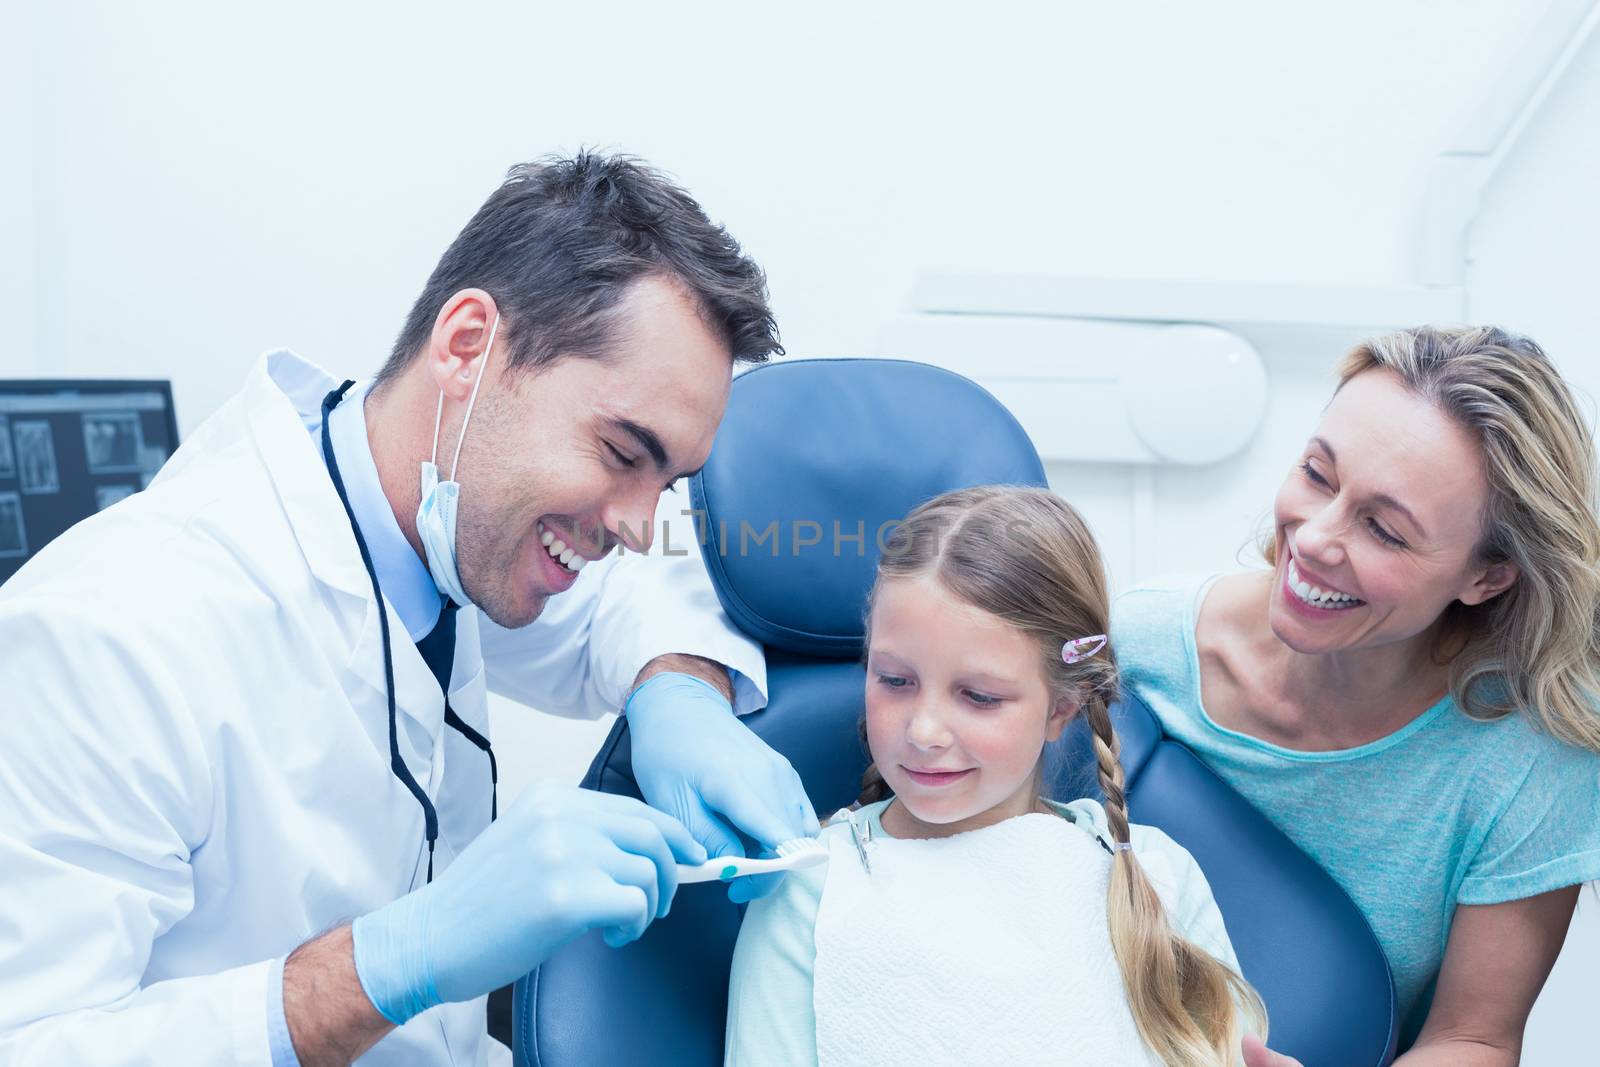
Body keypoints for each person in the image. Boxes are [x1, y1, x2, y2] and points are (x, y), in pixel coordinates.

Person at [0, 152, 818, 1066]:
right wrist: (390, 962)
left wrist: (683, 695)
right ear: (468, 346)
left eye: (668, 481)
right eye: (625, 452)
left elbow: (636, 599)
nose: (637, 525)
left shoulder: (448, 533)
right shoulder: (113, 634)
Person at [1114, 326, 1600, 1066]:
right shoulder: (1135, 647)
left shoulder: (1529, 760)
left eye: (1384, 528)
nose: (1313, 538)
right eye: (1317, 473)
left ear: (1486, 576)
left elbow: (1473, 1037)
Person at [726, 486, 1266, 1067]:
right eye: (894, 680)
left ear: (1061, 707)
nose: (924, 731)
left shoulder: (1155, 878)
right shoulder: (810, 890)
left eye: (979, 697)